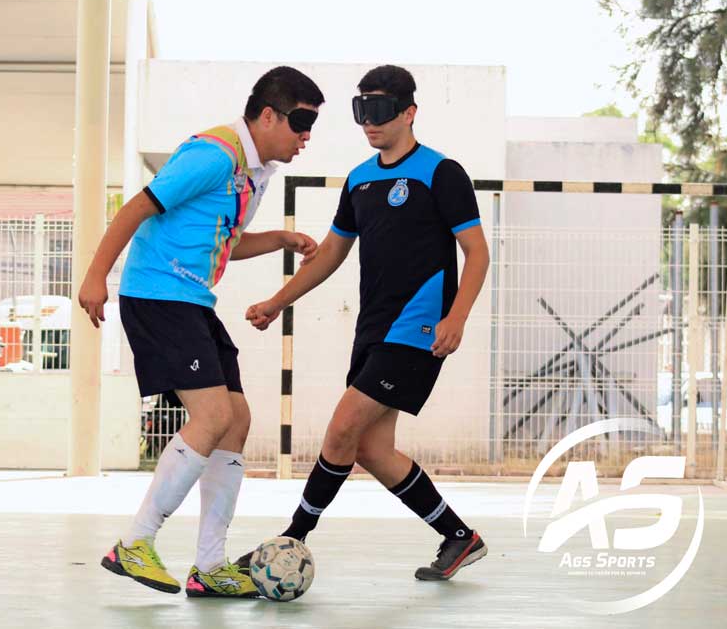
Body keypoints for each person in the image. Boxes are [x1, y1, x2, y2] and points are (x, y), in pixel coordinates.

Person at [77, 66, 325, 597]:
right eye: (301, 123)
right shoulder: (214, 155)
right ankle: (135, 543)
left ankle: (209, 566)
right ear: (267, 115)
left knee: (235, 420)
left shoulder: (253, 171)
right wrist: (96, 274)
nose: (306, 137)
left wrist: (278, 238)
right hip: (158, 294)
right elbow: (138, 207)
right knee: (211, 416)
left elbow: (224, 241)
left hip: (191, 299)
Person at [241, 65, 490, 581]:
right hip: (373, 330)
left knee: (342, 428)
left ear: (408, 112)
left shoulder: (441, 173)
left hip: (418, 327)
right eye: (361, 111)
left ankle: (292, 538)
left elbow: (477, 252)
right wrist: (276, 301)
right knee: (373, 449)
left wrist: (457, 317)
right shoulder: (359, 179)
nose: (368, 123)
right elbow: (332, 252)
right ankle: (460, 538)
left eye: (378, 111)